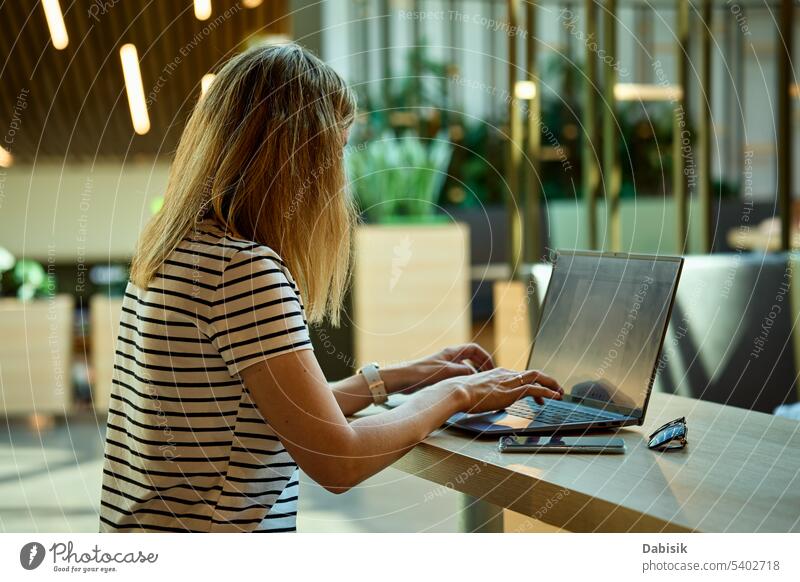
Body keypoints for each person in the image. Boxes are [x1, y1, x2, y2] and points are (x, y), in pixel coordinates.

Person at [99, 43, 562, 533]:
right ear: (300, 159)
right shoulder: (242, 271)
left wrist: (399, 377)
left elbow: (270, 416)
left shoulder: (180, 250)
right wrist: (460, 392)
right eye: (337, 151)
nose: (341, 177)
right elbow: (336, 459)